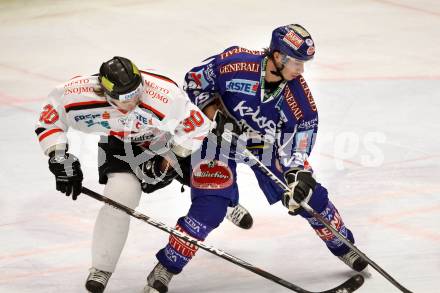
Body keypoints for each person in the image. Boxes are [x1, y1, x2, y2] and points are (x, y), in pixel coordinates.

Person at [144, 24, 368, 293]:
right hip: (218, 140)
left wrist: (298, 174)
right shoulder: (234, 63)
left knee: (310, 197)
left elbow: (298, 143)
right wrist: (214, 112)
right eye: (297, 62)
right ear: (277, 56)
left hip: (265, 146)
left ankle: (344, 246)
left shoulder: (299, 98)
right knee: (210, 209)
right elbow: (193, 81)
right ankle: (167, 266)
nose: (301, 70)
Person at [35, 56, 221, 293]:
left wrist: (169, 159)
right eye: (124, 97)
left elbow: (198, 126)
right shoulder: (77, 94)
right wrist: (58, 156)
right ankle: (102, 267)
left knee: (211, 183)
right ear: (104, 92)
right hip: (122, 144)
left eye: (137, 91)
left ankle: (231, 204)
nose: (133, 100)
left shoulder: (165, 95)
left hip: (166, 141)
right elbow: (50, 119)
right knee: (119, 199)